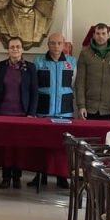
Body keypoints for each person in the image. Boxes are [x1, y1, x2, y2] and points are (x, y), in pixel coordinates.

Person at [30, 32, 76, 188]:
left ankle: (61, 177)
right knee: (41, 146)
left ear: (64, 45)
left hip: (64, 112)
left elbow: (74, 85)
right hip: (43, 111)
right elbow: (34, 86)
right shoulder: (38, 61)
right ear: (48, 44)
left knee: (62, 148)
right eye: (53, 43)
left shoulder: (71, 62)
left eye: (59, 43)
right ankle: (39, 175)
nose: (56, 46)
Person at [0, 36, 37, 188]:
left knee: (19, 148)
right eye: (12, 47)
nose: (15, 49)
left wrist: (31, 113)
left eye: (18, 46)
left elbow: (34, 92)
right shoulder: (0, 66)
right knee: (5, 147)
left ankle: (17, 177)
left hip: (22, 114)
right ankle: (5, 177)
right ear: (8, 49)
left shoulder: (30, 67)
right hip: (3, 113)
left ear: (22, 49)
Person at [75, 23, 110, 120]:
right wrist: (81, 105)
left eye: (103, 33)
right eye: (98, 33)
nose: (100, 36)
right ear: (93, 35)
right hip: (89, 108)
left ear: (108, 35)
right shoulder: (85, 54)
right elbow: (80, 82)